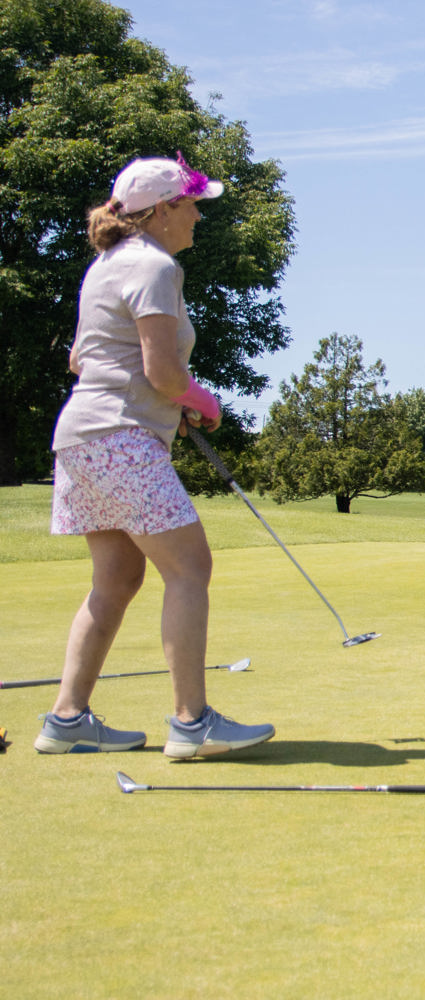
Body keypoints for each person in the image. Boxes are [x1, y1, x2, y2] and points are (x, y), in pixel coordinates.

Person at [36, 154, 276, 758]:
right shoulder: (154, 265)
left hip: (83, 436)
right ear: (164, 210)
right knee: (189, 567)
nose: (199, 215)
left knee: (116, 578)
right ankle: (191, 724)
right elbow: (162, 371)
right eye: (192, 204)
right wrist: (202, 400)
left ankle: (67, 720)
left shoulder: (108, 264)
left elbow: (80, 359)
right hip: (120, 437)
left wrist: (172, 397)